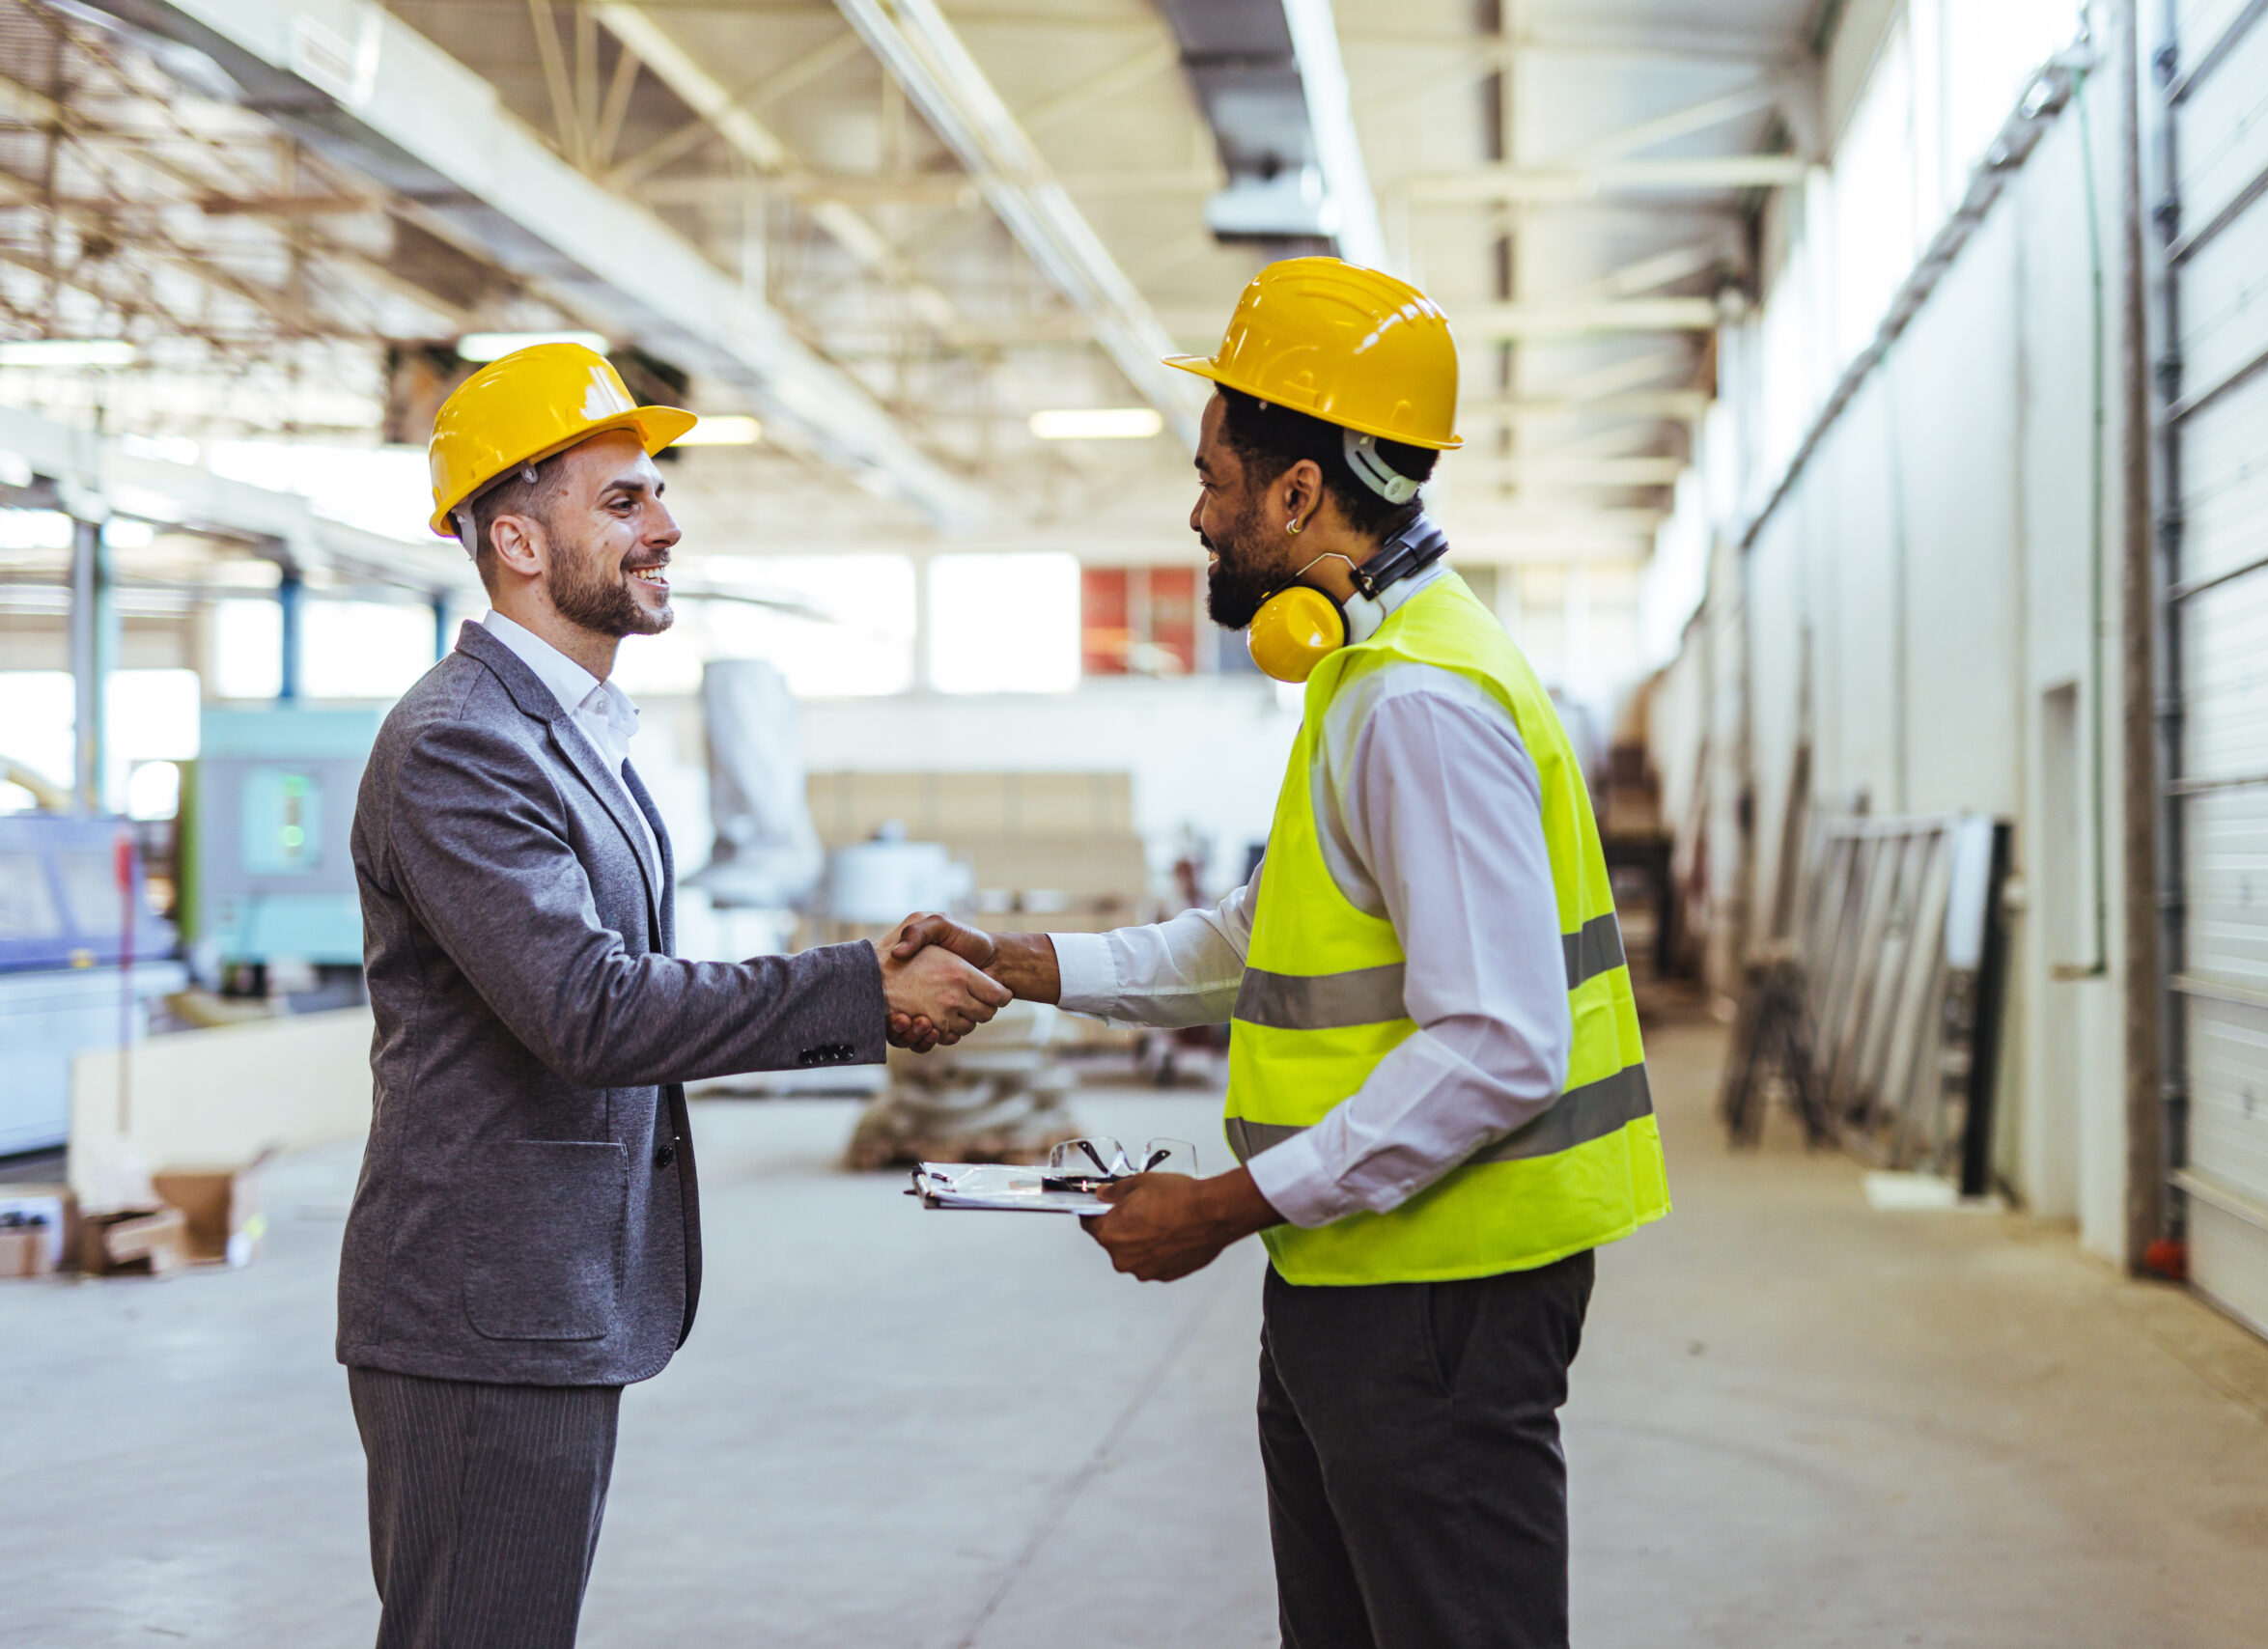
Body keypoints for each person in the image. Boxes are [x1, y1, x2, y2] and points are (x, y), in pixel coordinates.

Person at [891, 259, 1671, 1649]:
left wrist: (1229, 1204)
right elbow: (1268, 939)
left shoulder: (1418, 702)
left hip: (1436, 1299)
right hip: (1360, 1279)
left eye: (1214, 477)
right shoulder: (1373, 673)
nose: (1199, 515)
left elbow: (1499, 1045)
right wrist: (1028, 963)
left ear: (1299, 491)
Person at [340, 342, 1009, 1649]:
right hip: (486, 1314)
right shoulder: (459, 744)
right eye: (625, 501)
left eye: (656, 494)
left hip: (546, 1297)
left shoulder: (575, 737)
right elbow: (589, 1009)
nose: (668, 523)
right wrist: (858, 986)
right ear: (520, 542)